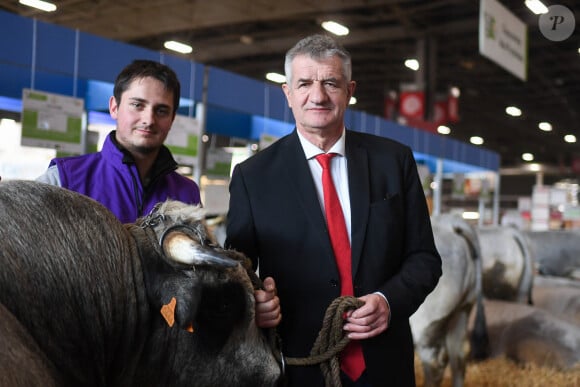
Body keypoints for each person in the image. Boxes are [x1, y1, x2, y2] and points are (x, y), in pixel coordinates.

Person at [225, 34, 442, 387]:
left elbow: (424, 258)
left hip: (384, 365)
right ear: (288, 93)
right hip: (298, 366)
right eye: (305, 83)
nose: (318, 96)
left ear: (350, 90)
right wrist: (253, 304)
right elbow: (239, 271)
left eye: (330, 83)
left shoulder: (394, 162)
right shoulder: (253, 177)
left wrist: (389, 301)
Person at [36, 59, 201, 223]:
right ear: (114, 107)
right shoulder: (64, 180)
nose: (149, 119)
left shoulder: (187, 193)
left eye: (162, 110)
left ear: (172, 118)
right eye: (137, 105)